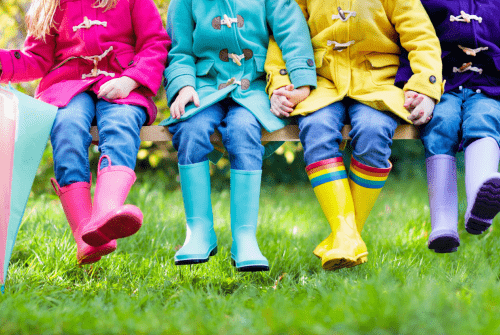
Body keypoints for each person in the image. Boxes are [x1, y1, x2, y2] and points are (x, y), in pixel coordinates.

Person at [266, 0, 443, 270]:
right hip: (319, 82)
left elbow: (421, 36)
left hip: (377, 82)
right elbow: (283, 33)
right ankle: (347, 235)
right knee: (317, 128)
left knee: (374, 131)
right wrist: (280, 83)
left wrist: (426, 86)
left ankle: (345, 236)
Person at [0, 0, 170, 264]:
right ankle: (84, 235)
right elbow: (36, 59)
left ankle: (107, 213)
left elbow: (154, 43)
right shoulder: (51, 5)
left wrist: (131, 79)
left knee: (121, 122)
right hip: (67, 84)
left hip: (122, 81)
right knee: (67, 127)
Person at [162, 0, 317, 271]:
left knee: (244, 130)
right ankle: (199, 230)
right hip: (203, 85)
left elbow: (292, 33)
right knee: (190, 129)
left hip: (254, 85)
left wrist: (300, 82)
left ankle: (245, 237)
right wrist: (183, 84)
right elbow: (179, 50)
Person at [396, 0, 500, 253]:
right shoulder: (427, 3)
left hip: (488, 86)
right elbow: (414, 41)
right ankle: (443, 225)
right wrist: (417, 87)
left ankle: (481, 202)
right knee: (441, 125)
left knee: (484, 119)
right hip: (441, 87)